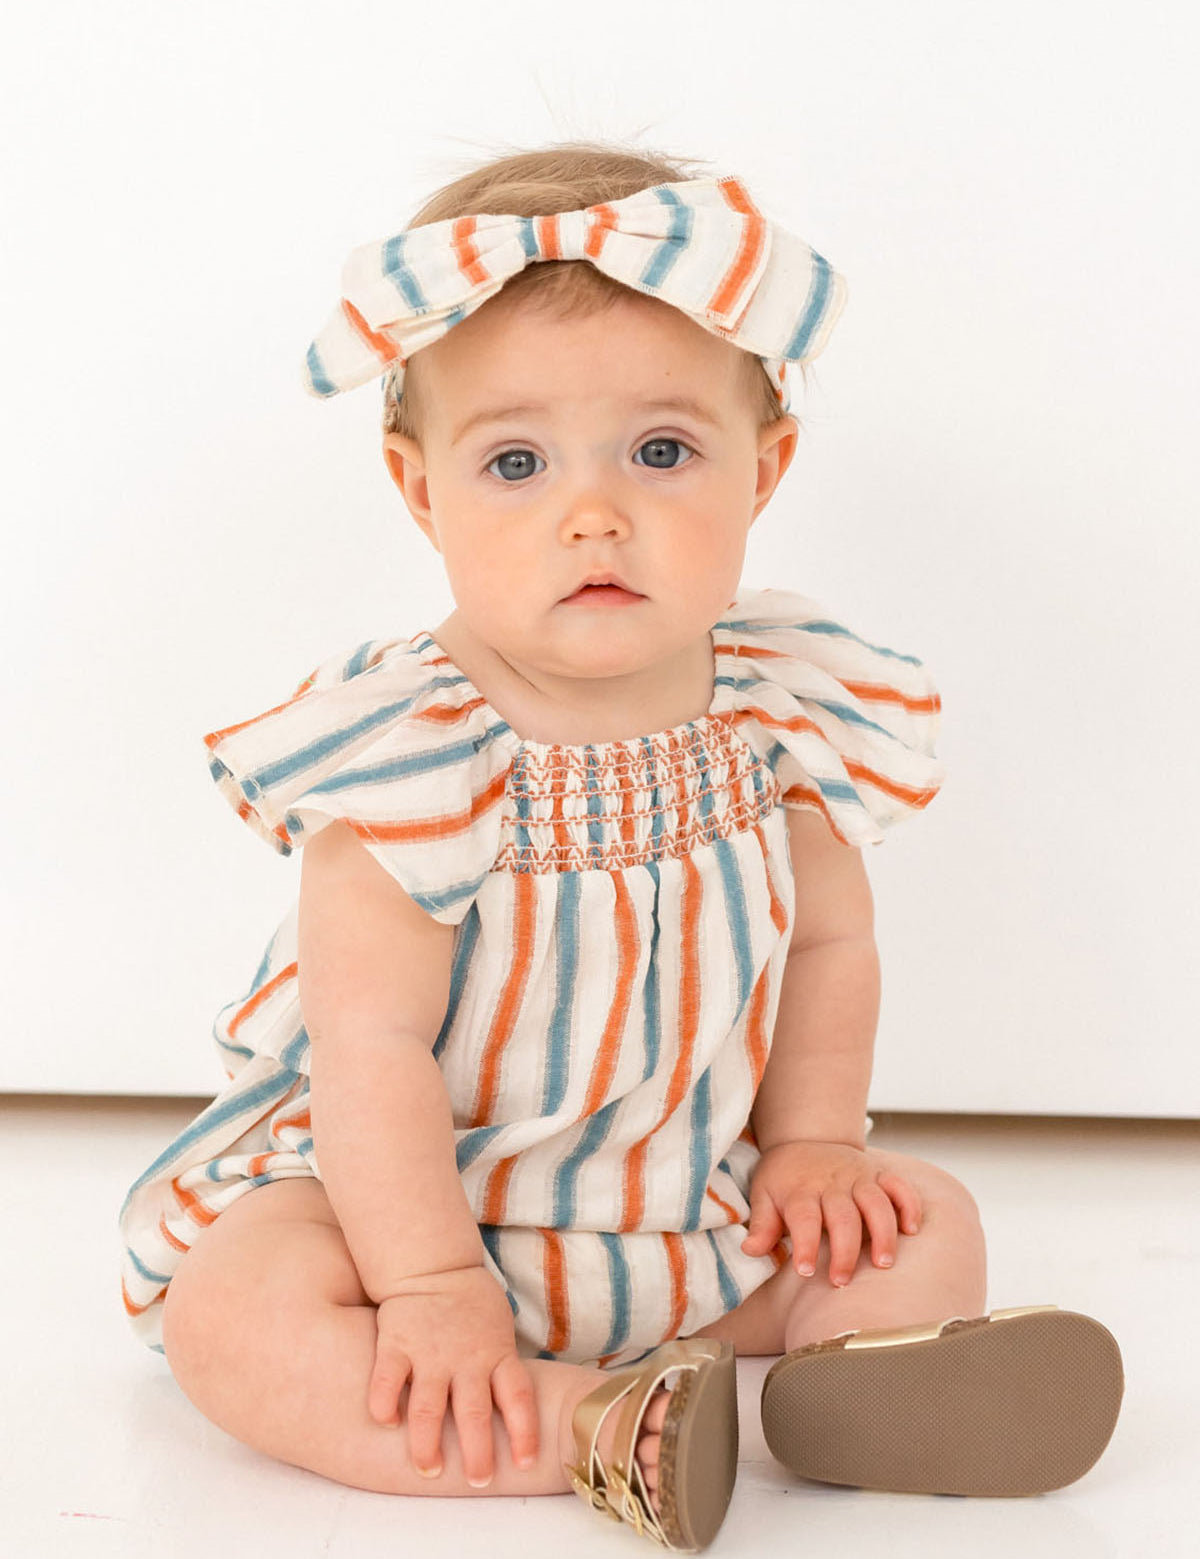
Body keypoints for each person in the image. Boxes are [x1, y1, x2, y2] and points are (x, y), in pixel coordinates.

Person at [119, 140, 1123, 1551]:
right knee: (242, 1314)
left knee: (919, 1218)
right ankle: (591, 1433)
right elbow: (368, 1055)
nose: (596, 513)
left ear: (764, 467)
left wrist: (817, 1147)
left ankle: (828, 1401)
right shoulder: (409, 757)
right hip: (405, 1218)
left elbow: (834, 940)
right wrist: (425, 1287)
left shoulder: (785, 718)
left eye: (662, 451)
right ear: (422, 493)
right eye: (517, 462)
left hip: (679, 1207)